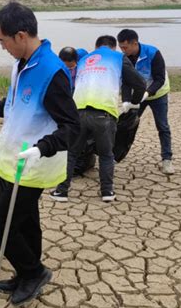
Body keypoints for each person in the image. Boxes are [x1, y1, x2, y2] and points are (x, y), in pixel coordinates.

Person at [0, 2, 80, 307]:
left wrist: (41, 148)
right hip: (17, 162)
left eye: (2, 41)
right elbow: (17, 102)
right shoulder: (22, 63)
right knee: (27, 222)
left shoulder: (51, 71)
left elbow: (72, 126)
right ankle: (25, 273)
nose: (2, 47)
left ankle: (34, 272)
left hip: (34, 165)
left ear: (20, 35)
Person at [49, 35, 146, 203]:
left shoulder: (84, 59)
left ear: (96, 46)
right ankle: (107, 192)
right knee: (106, 155)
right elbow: (139, 83)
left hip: (78, 112)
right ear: (113, 47)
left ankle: (61, 192)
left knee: (71, 153)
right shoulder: (118, 57)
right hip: (104, 113)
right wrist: (134, 102)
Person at [117, 29, 175, 175]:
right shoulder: (125, 58)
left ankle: (167, 160)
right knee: (127, 124)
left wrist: (148, 93)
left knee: (162, 126)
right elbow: (125, 82)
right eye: (121, 48)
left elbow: (160, 79)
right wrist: (126, 100)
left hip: (158, 94)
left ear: (134, 43)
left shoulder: (153, 53)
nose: (123, 51)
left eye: (125, 47)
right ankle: (116, 154)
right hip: (137, 96)